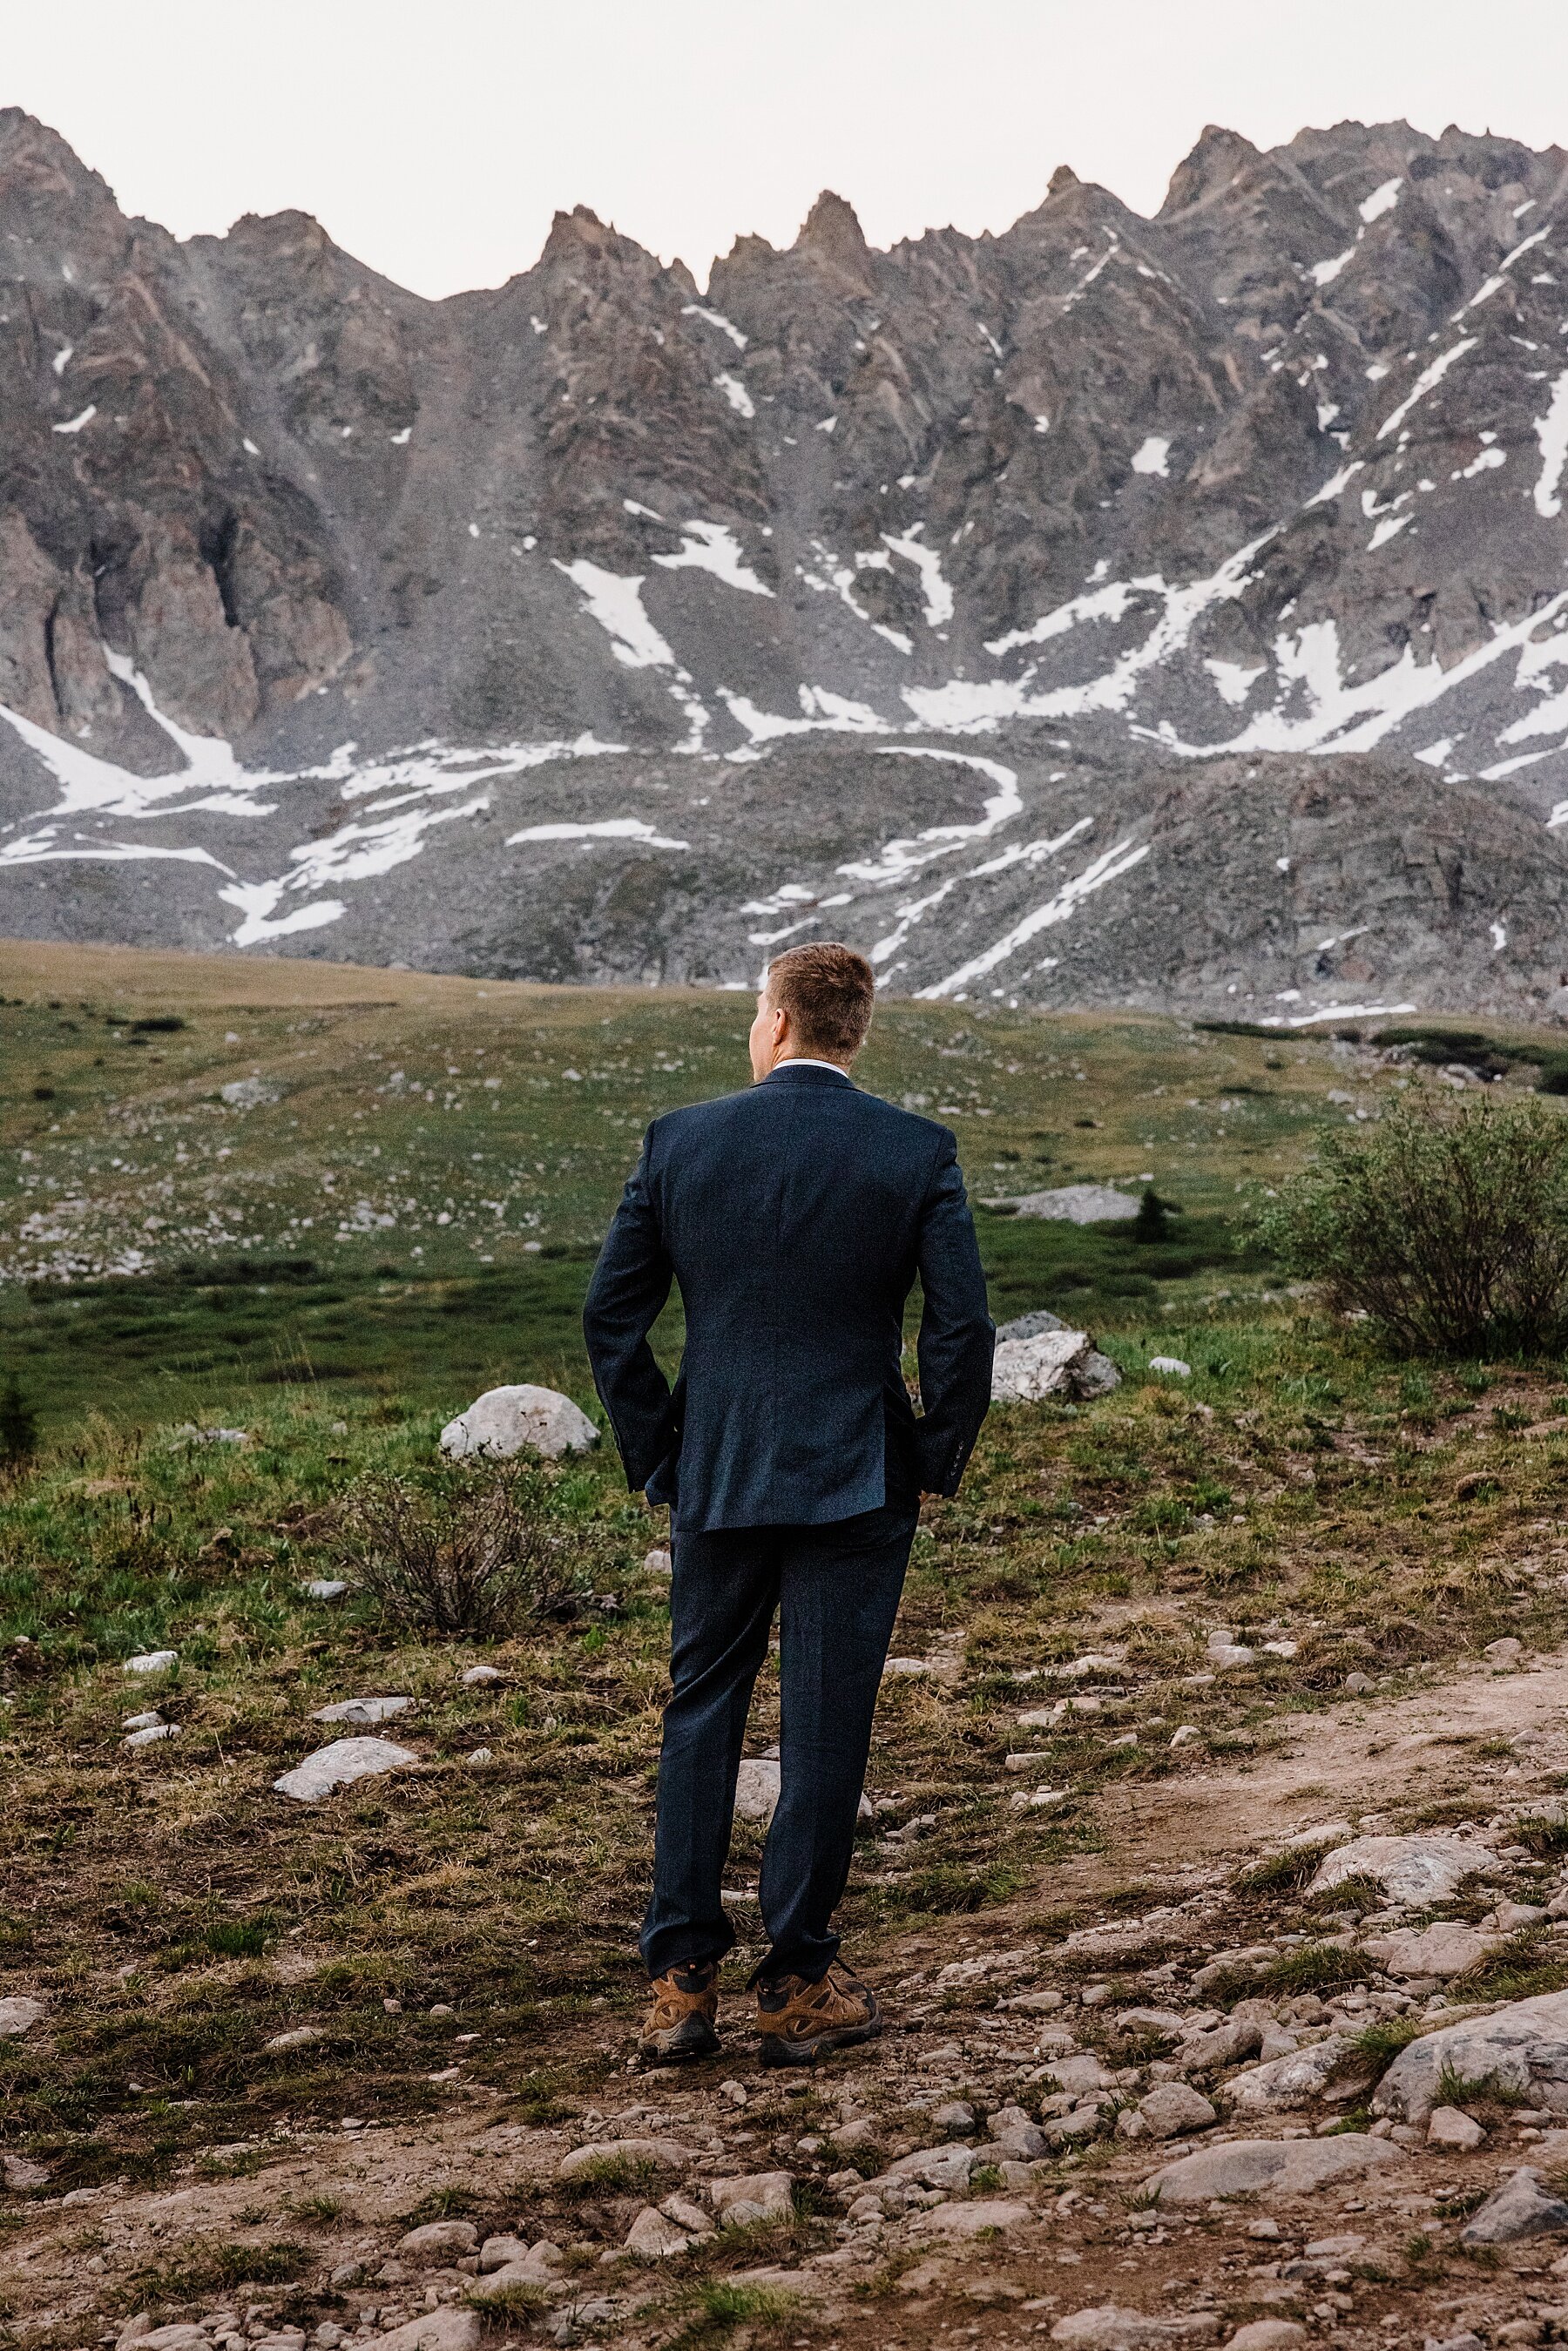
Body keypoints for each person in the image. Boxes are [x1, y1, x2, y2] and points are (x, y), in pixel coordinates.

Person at [583, 942, 994, 2067]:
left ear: (774, 1022)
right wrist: (929, 1453)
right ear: (856, 1031)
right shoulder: (916, 1151)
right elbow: (962, 1330)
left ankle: (678, 1982)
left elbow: (610, 1319)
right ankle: (798, 1977)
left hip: (718, 1472)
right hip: (859, 1475)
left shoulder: (683, 1140)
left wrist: (662, 1449)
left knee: (701, 1707)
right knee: (825, 1724)